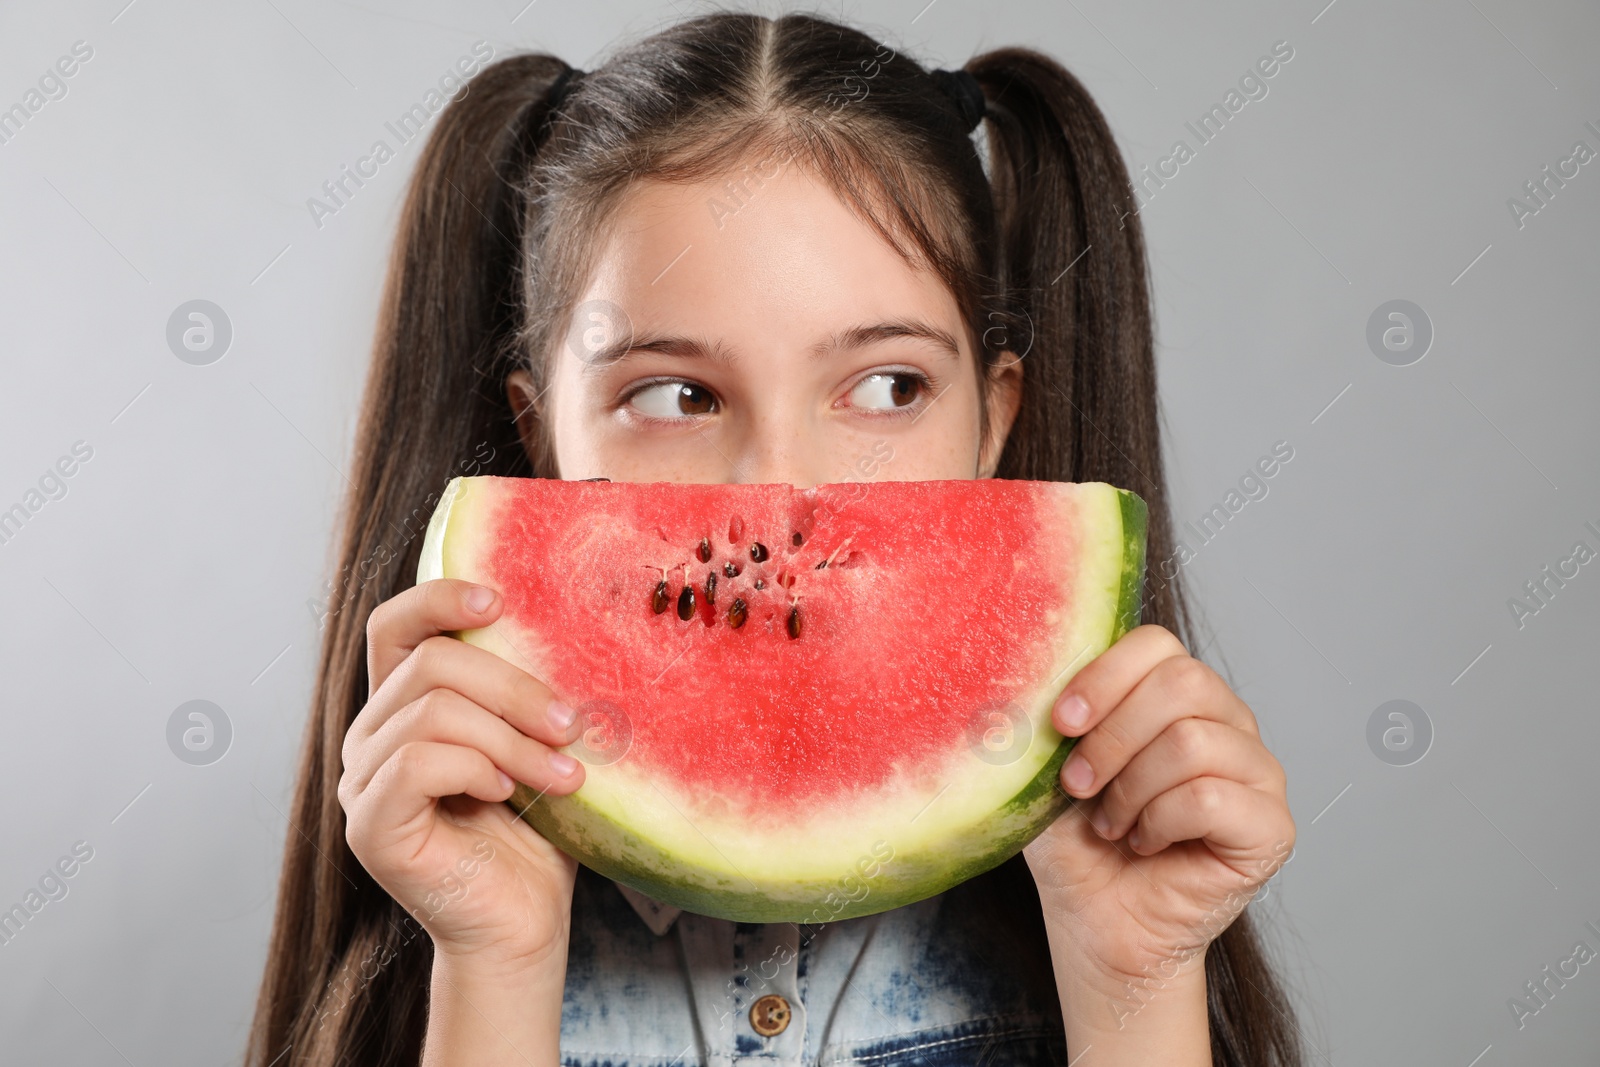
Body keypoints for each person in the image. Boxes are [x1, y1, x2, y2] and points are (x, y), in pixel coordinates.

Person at [246, 11, 1302, 1066]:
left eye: (887, 387)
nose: (777, 489)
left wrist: (1138, 983)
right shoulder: (447, 938)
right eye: (674, 394)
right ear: (537, 433)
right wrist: (492, 958)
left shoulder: (1110, 912)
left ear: (994, 420)